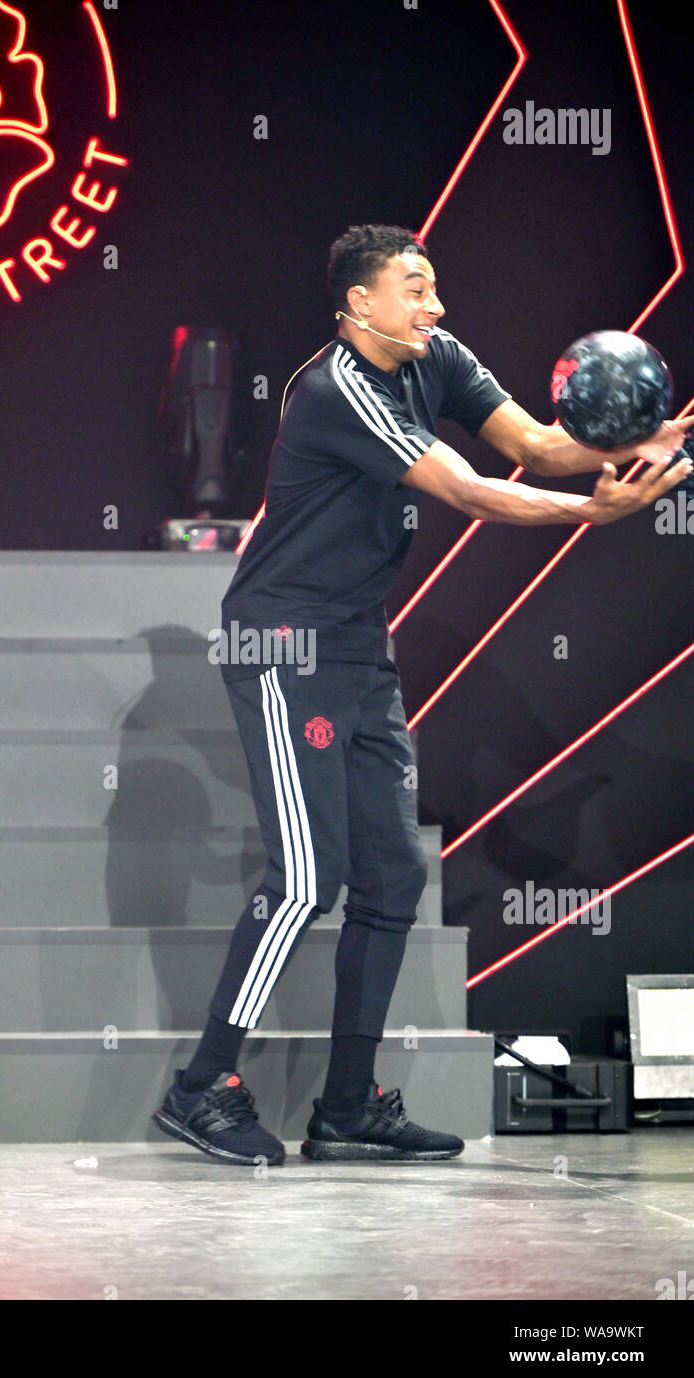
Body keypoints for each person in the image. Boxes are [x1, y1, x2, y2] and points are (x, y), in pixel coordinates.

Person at [152, 223, 693, 1165]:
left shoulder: (433, 355)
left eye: (434, 285)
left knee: (394, 875)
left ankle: (348, 1105)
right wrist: (594, 513)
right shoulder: (337, 391)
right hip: (283, 642)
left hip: (358, 645)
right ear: (360, 304)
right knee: (307, 881)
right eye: (414, 288)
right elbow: (473, 490)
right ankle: (202, 1087)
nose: (434, 304)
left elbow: (530, 440)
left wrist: (631, 438)